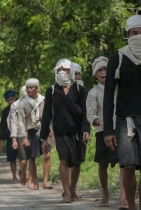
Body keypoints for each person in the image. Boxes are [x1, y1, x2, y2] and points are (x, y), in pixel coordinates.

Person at [103, 14, 141, 210]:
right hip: (125, 122)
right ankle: (131, 206)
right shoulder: (118, 59)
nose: (139, 36)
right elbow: (108, 96)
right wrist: (108, 130)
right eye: (134, 33)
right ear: (127, 35)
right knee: (128, 166)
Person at [40, 58, 90, 203]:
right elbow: (47, 114)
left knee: (77, 162)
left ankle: (73, 189)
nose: (62, 72)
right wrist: (44, 138)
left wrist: (86, 129)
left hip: (78, 130)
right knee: (64, 159)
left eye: (65, 70)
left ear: (71, 71)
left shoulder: (81, 90)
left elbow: (86, 112)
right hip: (60, 131)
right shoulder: (52, 90)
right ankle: (66, 192)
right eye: (59, 70)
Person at [86, 56, 128, 208]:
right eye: (100, 71)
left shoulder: (120, 88)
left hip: (122, 129)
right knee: (103, 164)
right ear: (95, 74)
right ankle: (105, 193)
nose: (103, 72)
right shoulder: (93, 93)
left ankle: (123, 199)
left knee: (124, 164)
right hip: (102, 132)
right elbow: (90, 114)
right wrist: (100, 122)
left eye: (105, 69)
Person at [17, 78, 48, 190]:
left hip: (42, 130)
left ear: (37, 88)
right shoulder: (22, 103)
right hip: (29, 131)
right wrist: (23, 137)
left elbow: (48, 116)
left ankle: (46, 181)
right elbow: (20, 121)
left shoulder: (44, 100)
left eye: (31, 87)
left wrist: (50, 129)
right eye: (27, 88)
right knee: (32, 158)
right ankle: (34, 181)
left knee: (47, 155)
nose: (29, 90)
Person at [9, 86, 28, 186]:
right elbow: (12, 123)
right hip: (20, 134)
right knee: (23, 159)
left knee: (32, 157)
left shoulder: (39, 101)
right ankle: (23, 172)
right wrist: (14, 139)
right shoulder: (15, 105)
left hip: (34, 132)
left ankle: (32, 181)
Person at [0, 89, 18, 183]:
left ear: (15, 98)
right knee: (12, 158)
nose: (10, 101)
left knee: (24, 158)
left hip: (21, 135)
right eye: (8, 100)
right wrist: (1, 140)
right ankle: (14, 176)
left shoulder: (21, 107)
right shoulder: (5, 111)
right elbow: (2, 126)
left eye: (12, 99)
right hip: (10, 136)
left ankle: (22, 172)